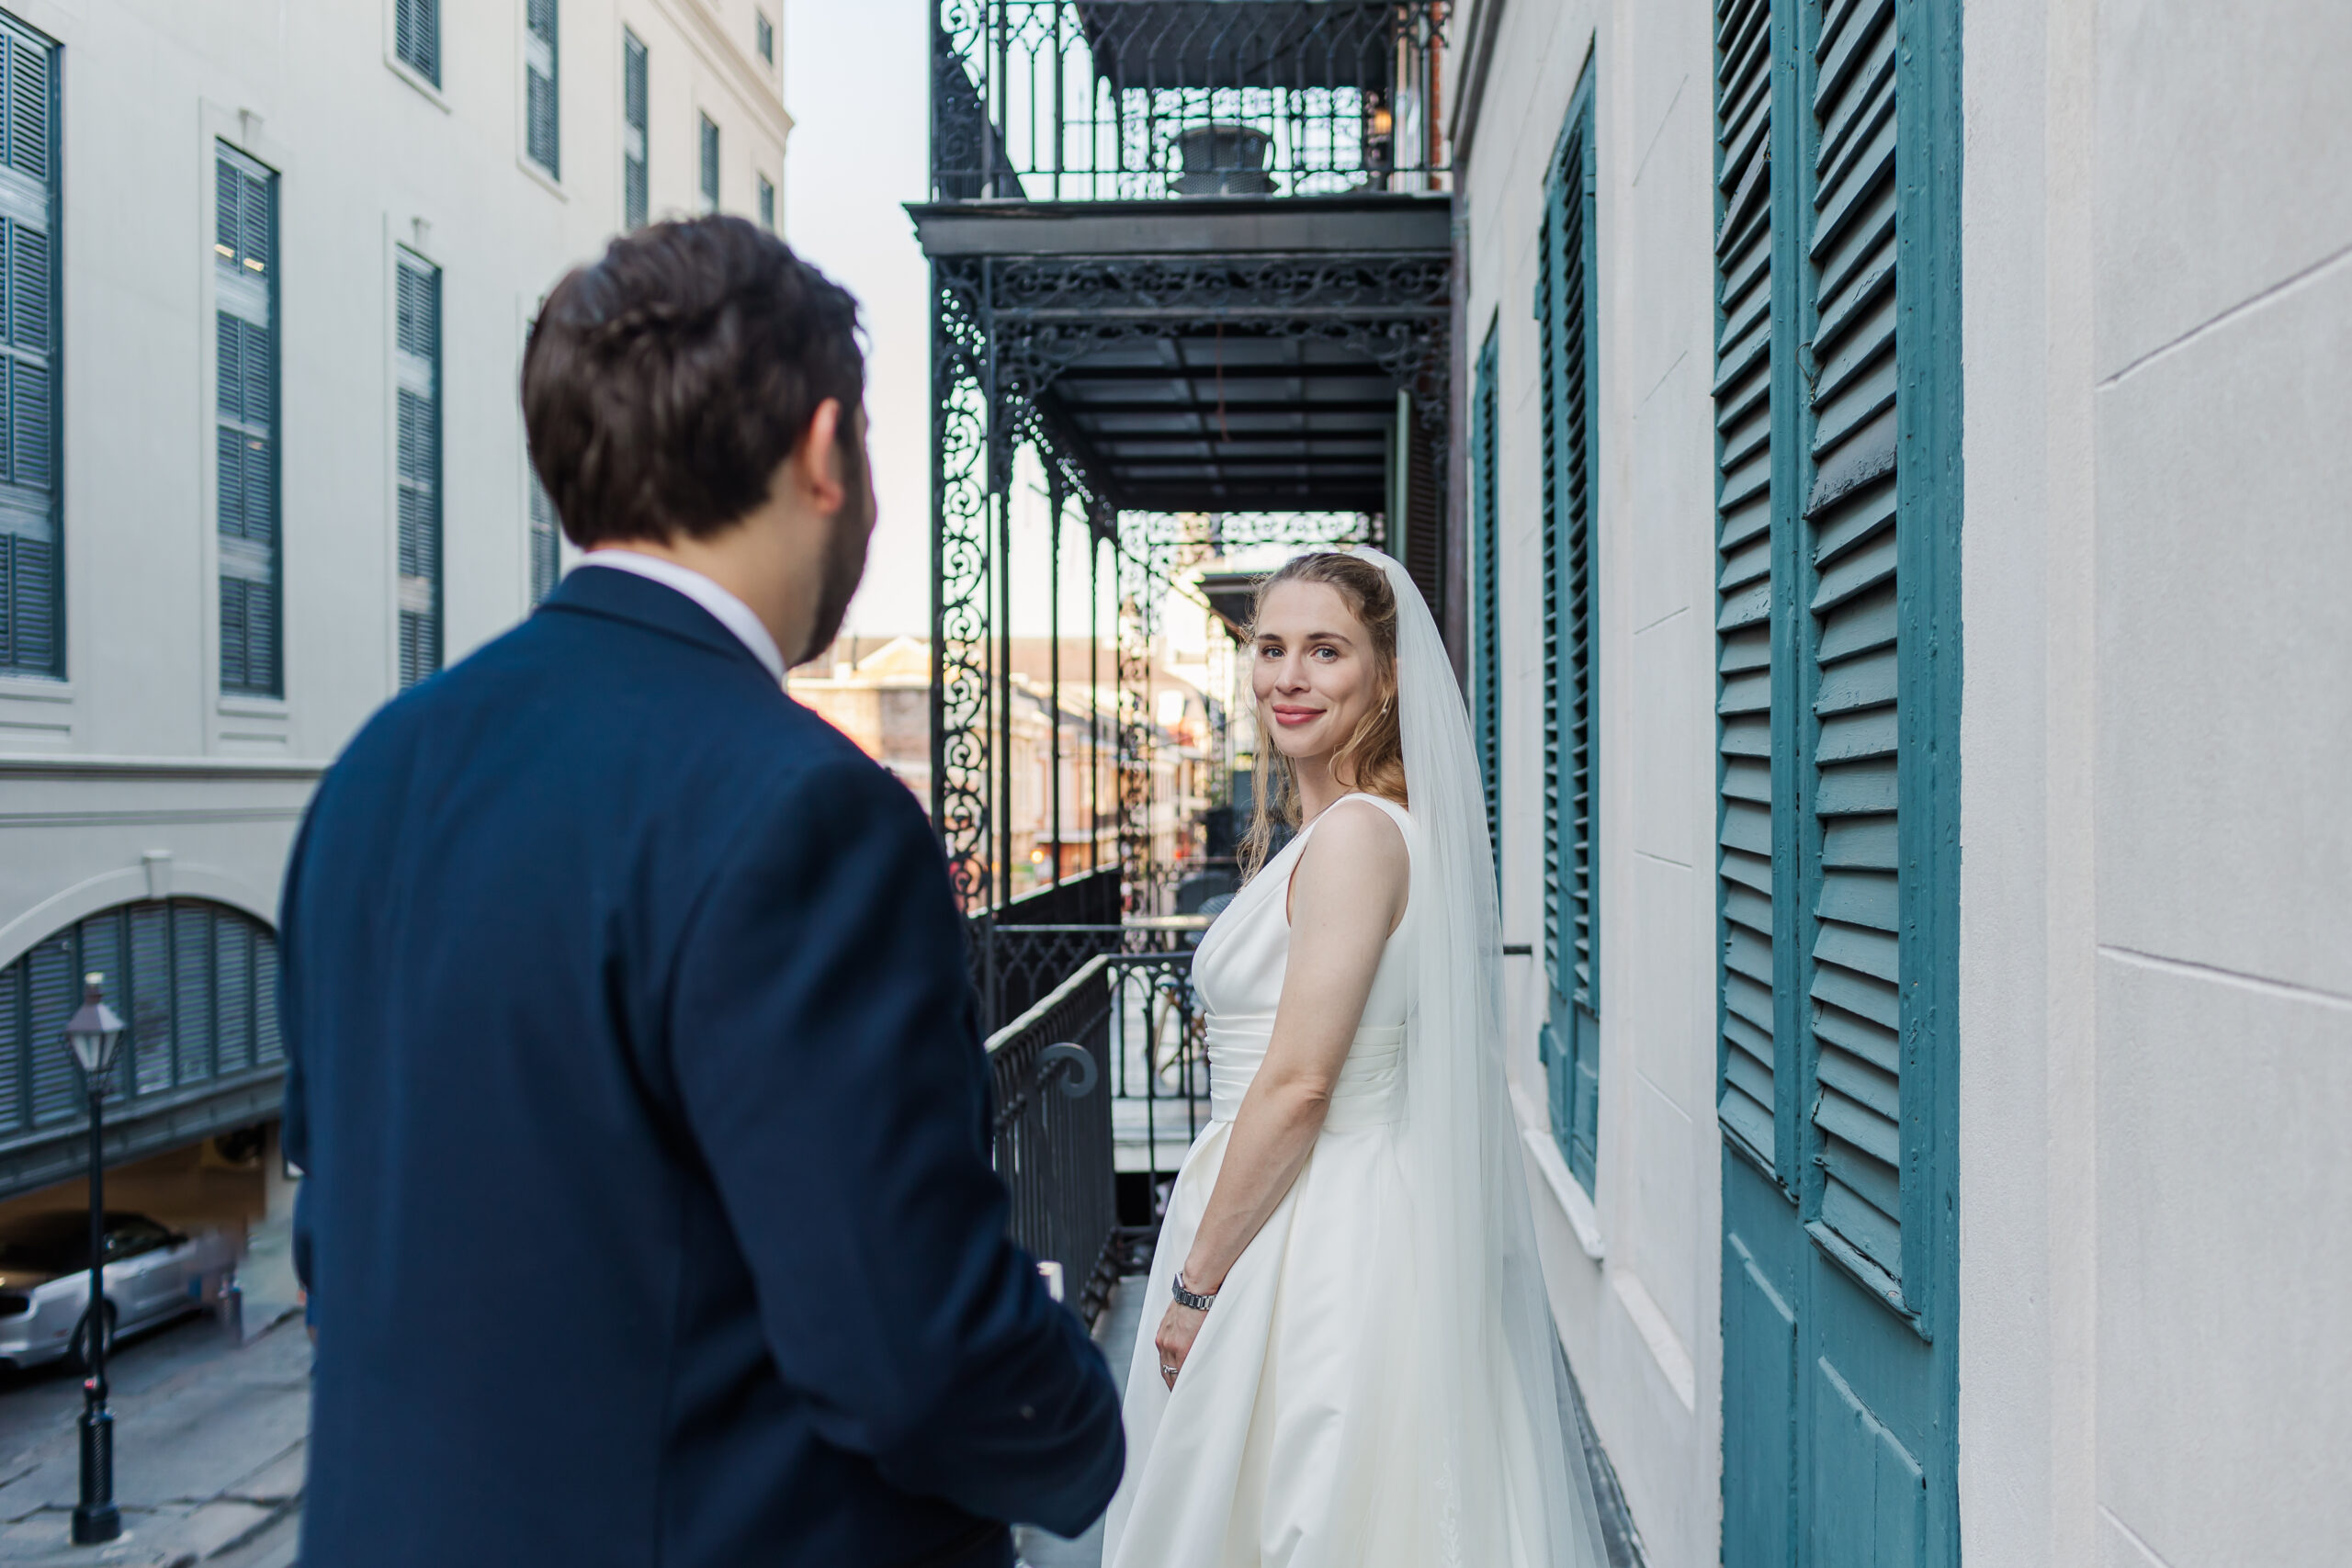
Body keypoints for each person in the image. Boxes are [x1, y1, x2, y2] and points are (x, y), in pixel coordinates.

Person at [280, 217, 1123, 1568]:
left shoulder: (378, 771)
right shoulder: (806, 807)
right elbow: (907, 1349)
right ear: (821, 449)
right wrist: (1086, 1420)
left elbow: (340, 1246)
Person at [1102, 550, 1609, 1568]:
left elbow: (1297, 1085)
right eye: (1270, 648)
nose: (1287, 677)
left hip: (1309, 1232)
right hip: (1306, 1206)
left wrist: (1198, 1285)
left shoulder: (1357, 841)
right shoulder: (1358, 832)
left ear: (1384, 679)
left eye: (1325, 651)